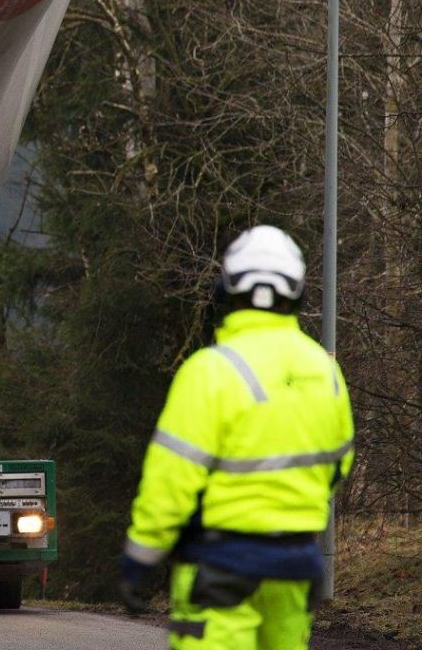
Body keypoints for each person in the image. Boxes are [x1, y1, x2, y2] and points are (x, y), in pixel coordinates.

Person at [120, 225, 354, 649]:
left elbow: (171, 478)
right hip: (296, 565)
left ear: (226, 288)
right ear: (297, 291)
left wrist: (142, 555)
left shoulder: (211, 370)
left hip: (221, 566)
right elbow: (338, 465)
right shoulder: (326, 371)